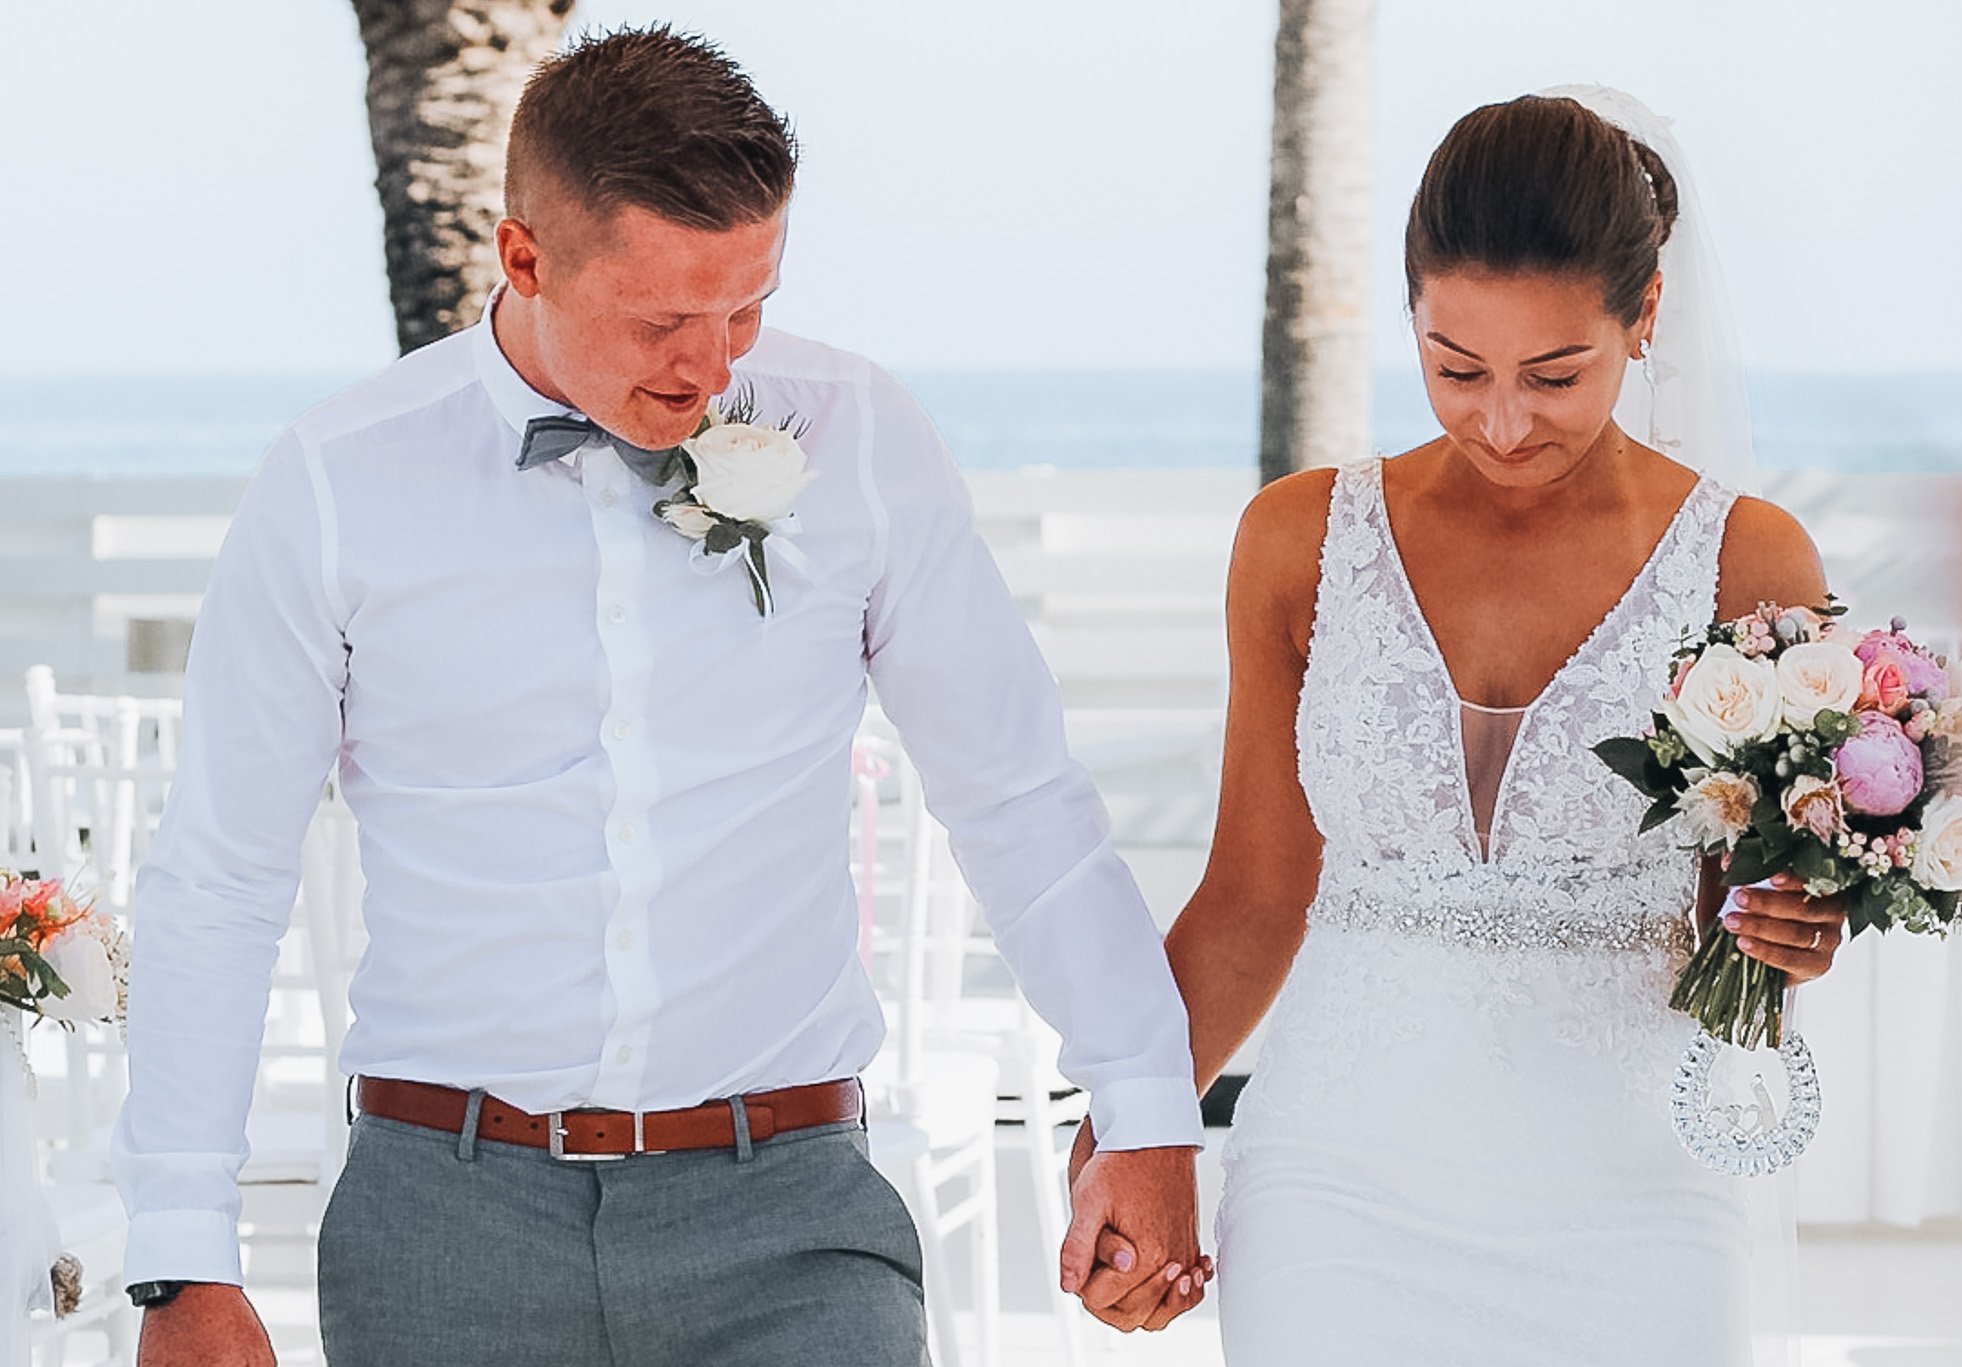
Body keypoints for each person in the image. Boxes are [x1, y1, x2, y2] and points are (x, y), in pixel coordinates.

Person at [110, 28, 1205, 1366]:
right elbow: (220, 874)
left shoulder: (854, 438)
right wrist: (179, 1254)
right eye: (662, 321)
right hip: (444, 1220)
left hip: (792, 1208)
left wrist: (1145, 1099)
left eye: (745, 308)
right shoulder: (337, 480)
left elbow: (1016, 790)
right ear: (523, 258)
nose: (713, 365)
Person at [1155, 92, 1852, 1363]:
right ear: (1411, 313)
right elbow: (1251, 896)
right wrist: (1129, 1127)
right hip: (1332, 1188)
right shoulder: (1296, 543)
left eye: (1555, 373)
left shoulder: (1744, 559)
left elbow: (1742, 930)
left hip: (1633, 1199)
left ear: (1643, 318)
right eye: (1452, 367)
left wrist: (1798, 927)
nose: (1501, 421)